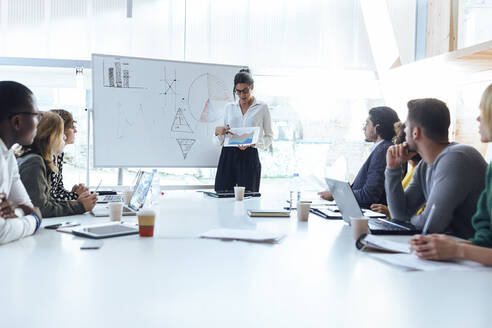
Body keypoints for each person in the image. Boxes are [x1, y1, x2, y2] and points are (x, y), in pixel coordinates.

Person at [410, 84, 492, 266]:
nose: (478, 118)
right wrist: (445, 246)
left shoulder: (457, 157)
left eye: (484, 111)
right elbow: (486, 243)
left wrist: (458, 249)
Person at [385, 98, 487, 239]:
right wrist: (392, 169)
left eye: (406, 126)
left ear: (416, 133)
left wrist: (410, 221)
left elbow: (432, 224)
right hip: (449, 251)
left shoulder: (456, 158)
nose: (403, 131)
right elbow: (400, 214)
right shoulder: (425, 165)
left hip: (474, 254)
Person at [16, 111, 97, 218]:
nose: (64, 137)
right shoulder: (34, 162)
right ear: (51, 136)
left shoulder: (37, 159)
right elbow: (41, 208)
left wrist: (76, 203)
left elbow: (47, 200)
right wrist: (79, 206)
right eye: (60, 133)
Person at [319, 106, 400, 208]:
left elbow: (369, 195)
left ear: (377, 128)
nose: (363, 128)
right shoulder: (382, 148)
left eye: (367, 124)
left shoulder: (382, 151)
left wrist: (336, 194)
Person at [214, 69, 273, 192]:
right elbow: (221, 138)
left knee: (249, 197)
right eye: (238, 92)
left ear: (252, 87)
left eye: (245, 91)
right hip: (228, 155)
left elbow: (269, 136)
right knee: (222, 194)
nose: (242, 95)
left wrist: (254, 143)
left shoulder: (262, 107)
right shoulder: (229, 107)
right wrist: (218, 132)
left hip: (249, 156)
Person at [0, 81, 42, 244]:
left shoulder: (8, 154)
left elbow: (27, 207)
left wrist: (16, 210)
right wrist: (35, 221)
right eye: (36, 116)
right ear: (17, 122)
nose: (39, 123)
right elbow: (1, 231)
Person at [370, 122, 424, 216]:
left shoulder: (419, 171)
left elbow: (416, 215)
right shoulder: (414, 170)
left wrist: (389, 212)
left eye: (395, 140)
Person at [49, 109, 88, 200]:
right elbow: (48, 198)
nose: (75, 131)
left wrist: (72, 193)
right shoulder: (44, 157)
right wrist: (76, 196)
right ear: (61, 129)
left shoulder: (59, 154)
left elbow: (58, 191)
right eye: (72, 126)